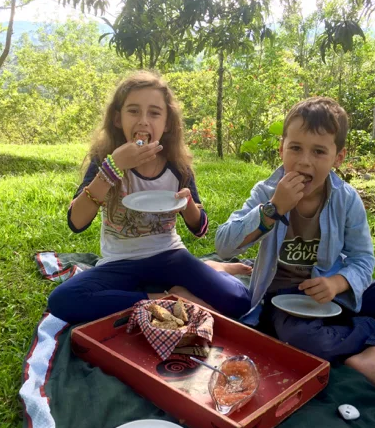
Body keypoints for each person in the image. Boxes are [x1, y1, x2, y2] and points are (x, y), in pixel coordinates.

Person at [215, 97, 375, 402]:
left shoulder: (345, 199)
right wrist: (273, 209)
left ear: (338, 157)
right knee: (306, 341)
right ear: (281, 148)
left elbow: (363, 258)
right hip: (285, 302)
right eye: (295, 148)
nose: (304, 161)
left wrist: (338, 283)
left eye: (319, 151)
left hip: (334, 292)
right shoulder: (266, 193)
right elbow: (223, 245)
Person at [48, 71, 251, 324]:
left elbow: (200, 229)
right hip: (119, 263)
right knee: (63, 300)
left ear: (167, 123)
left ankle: (211, 268)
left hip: (171, 257)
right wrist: (112, 168)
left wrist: (187, 203)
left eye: (154, 113)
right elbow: (76, 222)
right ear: (118, 119)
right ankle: (165, 298)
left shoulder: (177, 166)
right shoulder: (105, 161)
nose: (143, 121)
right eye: (133, 111)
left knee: (240, 300)